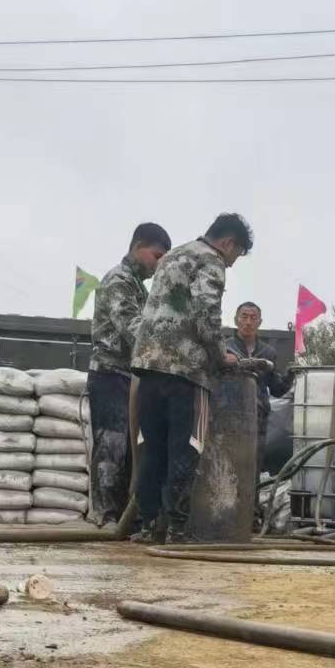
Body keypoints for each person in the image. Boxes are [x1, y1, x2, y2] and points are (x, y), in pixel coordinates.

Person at [130, 212, 253, 542]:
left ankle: (149, 526)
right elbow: (205, 314)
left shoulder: (172, 256)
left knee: (152, 450)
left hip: (148, 367)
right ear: (228, 243)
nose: (231, 263)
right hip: (185, 372)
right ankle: (176, 529)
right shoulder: (210, 260)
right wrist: (221, 354)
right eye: (236, 255)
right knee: (185, 449)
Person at [87, 222, 172, 525]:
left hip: (131, 377)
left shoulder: (139, 287)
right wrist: (171, 351)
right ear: (138, 246)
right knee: (112, 446)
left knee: (130, 449)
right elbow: (134, 329)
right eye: (156, 256)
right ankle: (106, 516)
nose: (158, 265)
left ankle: (124, 517)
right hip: (110, 374)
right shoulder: (118, 281)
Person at [224, 301, 294, 453]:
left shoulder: (268, 353)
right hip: (229, 416)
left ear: (259, 322)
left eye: (253, 318)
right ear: (236, 320)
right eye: (244, 317)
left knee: (255, 460)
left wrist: (290, 375)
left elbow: (277, 390)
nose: (248, 322)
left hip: (258, 418)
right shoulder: (224, 348)